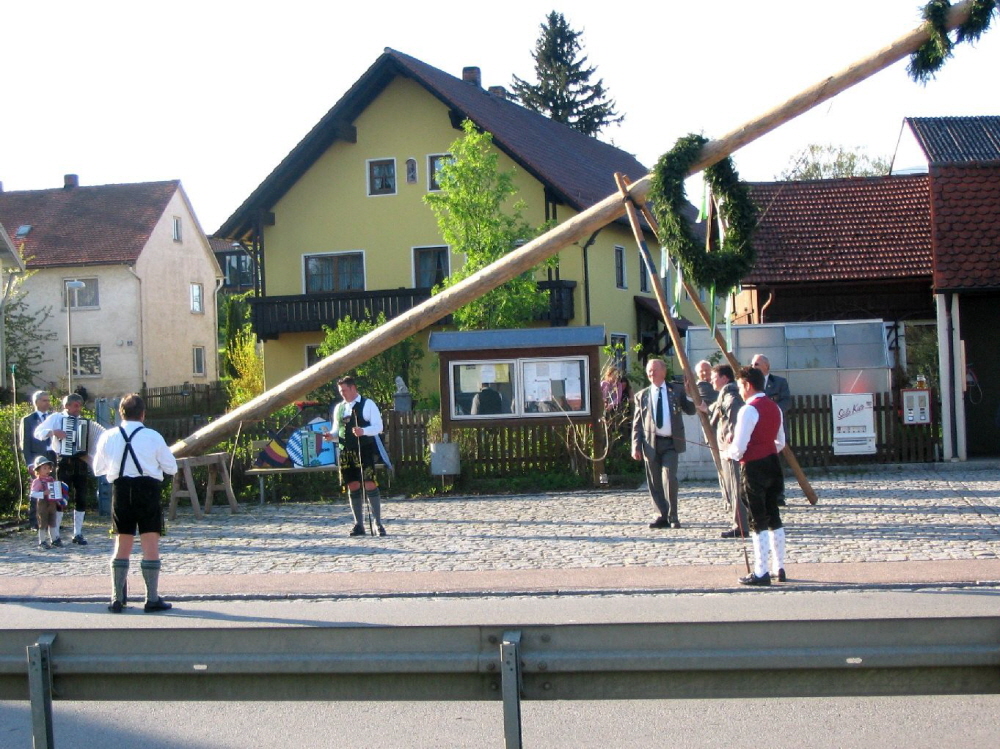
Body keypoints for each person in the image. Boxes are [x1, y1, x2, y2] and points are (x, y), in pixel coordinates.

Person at [92, 393, 177, 613]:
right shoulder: (152, 436)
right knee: (150, 545)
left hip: (120, 490)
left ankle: (117, 598)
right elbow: (171, 468)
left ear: (121, 413)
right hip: (148, 490)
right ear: (143, 414)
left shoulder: (108, 436)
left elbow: (98, 469)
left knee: (122, 544)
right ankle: (151, 598)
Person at [727, 365, 787, 586]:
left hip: (753, 467)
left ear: (748, 385)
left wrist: (728, 453)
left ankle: (760, 571)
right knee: (774, 515)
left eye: (741, 386)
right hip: (773, 464)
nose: (740, 391)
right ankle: (778, 567)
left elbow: (739, 446)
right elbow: (780, 442)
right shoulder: (775, 408)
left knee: (756, 519)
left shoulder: (748, 410)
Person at [631, 358, 696, 529]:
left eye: (654, 370)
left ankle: (673, 515)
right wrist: (635, 446)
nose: (651, 374)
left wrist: (690, 394)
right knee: (654, 481)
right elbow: (637, 423)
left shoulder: (676, 390)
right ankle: (660, 515)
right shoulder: (642, 395)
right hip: (651, 443)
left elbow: (691, 410)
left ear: (664, 371)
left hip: (671, 443)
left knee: (669, 477)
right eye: (649, 371)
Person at [325, 376, 386, 537]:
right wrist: (331, 436)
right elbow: (337, 431)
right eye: (340, 391)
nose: (342, 394)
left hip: (364, 449)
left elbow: (379, 427)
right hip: (346, 451)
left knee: (369, 483)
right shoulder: (339, 408)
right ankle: (358, 524)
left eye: (344, 390)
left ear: (353, 388)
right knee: (352, 485)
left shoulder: (368, 404)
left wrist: (363, 431)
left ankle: (378, 523)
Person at [34, 393, 94, 545]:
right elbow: (38, 433)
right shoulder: (57, 418)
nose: (78, 409)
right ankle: (56, 535)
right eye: (75, 406)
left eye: (80, 406)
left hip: (80, 462)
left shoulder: (83, 422)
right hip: (64, 461)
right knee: (60, 498)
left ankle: (78, 533)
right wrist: (53, 432)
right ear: (66, 406)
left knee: (81, 497)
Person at [698, 364, 748, 539]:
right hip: (726, 451)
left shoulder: (731, 397)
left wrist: (730, 436)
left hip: (731, 452)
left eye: (714, 376)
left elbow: (733, 419)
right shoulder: (723, 396)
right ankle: (739, 523)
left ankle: (741, 526)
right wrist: (706, 408)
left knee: (735, 487)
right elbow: (717, 408)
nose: (711, 379)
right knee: (731, 486)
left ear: (725, 378)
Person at [750, 354, 791, 505]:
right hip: (756, 430)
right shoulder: (750, 384)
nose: (753, 367)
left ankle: (778, 496)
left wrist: (770, 412)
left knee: (777, 465)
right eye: (753, 364)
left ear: (766, 366)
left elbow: (786, 401)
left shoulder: (779, 383)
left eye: (756, 364)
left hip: (775, 428)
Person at [19, 390, 55, 530]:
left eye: (48, 400)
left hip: (51, 458)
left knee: (52, 490)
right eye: (44, 400)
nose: (48, 403)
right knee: (37, 489)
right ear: (37, 402)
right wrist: (29, 462)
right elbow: (25, 443)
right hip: (36, 459)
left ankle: (51, 521)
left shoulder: (52, 418)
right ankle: (35, 521)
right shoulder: (28, 420)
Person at [29, 456, 67, 549]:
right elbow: (32, 494)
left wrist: (59, 498)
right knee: (43, 523)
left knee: (52, 522)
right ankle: (42, 541)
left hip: (52, 504)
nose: (47, 470)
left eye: (48, 468)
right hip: (43, 504)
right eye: (44, 468)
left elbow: (56, 490)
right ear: (38, 470)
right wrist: (43, 493)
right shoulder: (37, 481)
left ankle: (54, 540)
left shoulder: (51, 480)